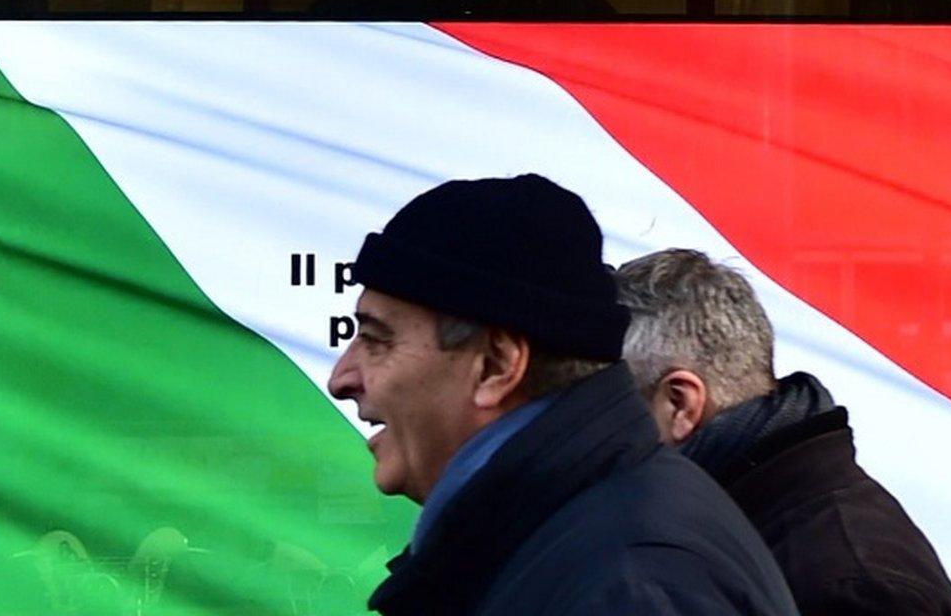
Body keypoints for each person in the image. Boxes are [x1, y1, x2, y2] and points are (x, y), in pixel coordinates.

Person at [326, 174, 798, 616]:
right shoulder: (584, 543)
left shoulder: (630, 586)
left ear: (495, 367)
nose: (342, 378)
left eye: (376, 339)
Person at [614, 248, 951, 616]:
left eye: (613, 406)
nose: (601, 429)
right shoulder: (779, 527)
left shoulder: (853, 589)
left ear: (680, 404)